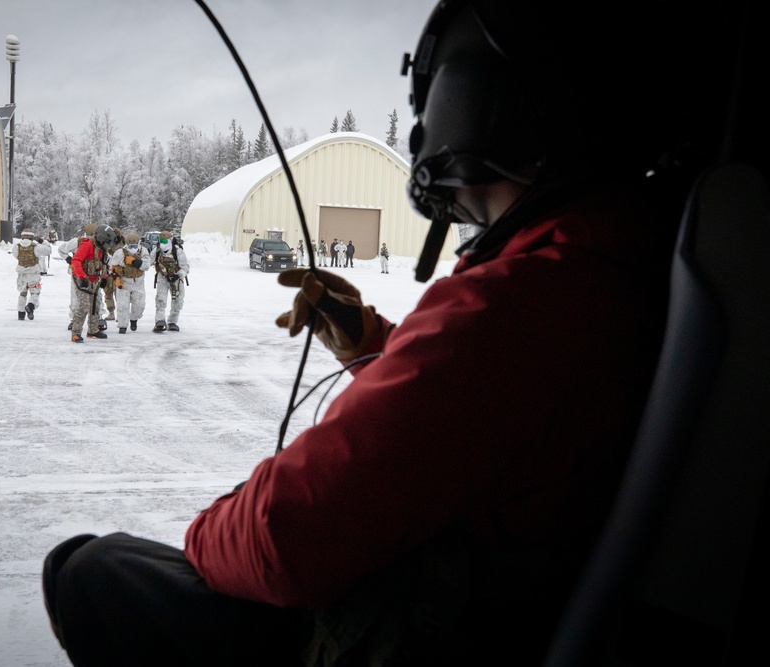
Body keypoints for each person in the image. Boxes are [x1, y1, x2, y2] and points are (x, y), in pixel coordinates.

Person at [43, 0, 693, 663]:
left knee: (89, 570)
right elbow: (469, 423)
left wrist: (206, 534)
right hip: (507, 603)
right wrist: (368, 342)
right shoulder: (615, 265)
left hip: (447, 627)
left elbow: (284, 534)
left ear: (468, 102)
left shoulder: (520, 305)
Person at [69, 225, 118, 343]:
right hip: (83, 280)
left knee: (95, 305)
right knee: (84, 306)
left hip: (95, 280)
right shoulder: (87, 245)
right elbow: (76, 260)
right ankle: (75, 333)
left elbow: (102, 263)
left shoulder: (101, 248)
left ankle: (93, 330)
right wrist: (82, 277)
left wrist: (105, 277)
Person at [59, 224, 106, 335]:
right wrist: (69, 259)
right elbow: (61, 249)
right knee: (78, 300)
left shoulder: (100, 244)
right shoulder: (77, 242)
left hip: (94, 276)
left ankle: (96, 322)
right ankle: (74, 321)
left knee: (96, 299)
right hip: (79, 275)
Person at [108, 232, 152, 334]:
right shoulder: (120, 253)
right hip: (124, 282)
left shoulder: (143, 251)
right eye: (130, 246)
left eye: (135, 246)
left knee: (139, 305)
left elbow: (146, 266)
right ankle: (122, 326)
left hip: (138, 283)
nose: (132, 248)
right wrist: (116, 278)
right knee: (122, 306)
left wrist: (134, 261)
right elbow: (111, 266)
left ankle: (134, 319)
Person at [150, 232, 189, 332]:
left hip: (177, 279)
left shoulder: (178, 251)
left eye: (164, 241)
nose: (162, 243)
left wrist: (179, 275)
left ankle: (172, 321)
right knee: (160, 299)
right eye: (160, 240)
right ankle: (159, 321)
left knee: (178, 301)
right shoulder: (156, 251)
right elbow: (147, 262)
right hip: (162, 277)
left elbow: (185, 267)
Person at [12, 229, 51, 320]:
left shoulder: (17, 247)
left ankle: (21, 313)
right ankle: (30, 306)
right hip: (33, 274)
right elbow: (48, 251)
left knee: (22, 293)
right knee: (35, 292)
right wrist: (43, 242)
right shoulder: (36, 246)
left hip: (22, 274)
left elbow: (15, 255)